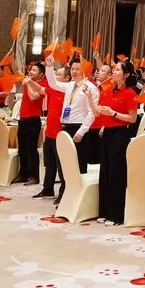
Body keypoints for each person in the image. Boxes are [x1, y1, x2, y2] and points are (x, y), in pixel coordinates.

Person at [44, 55, 99, 203]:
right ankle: (65, 194)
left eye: (77, 69)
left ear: (84, 70)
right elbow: (53, 83)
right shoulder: (70, 85)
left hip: (78, 128)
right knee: (64, 163)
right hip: (65, 127)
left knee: (78, 165)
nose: (74, 72)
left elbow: (92, 113)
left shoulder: (91, 88)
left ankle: (78, 198)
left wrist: (81, 131)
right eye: (73, 69)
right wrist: (49, 66)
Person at [95, 60, 140, 226]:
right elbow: (98, 111)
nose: (113, 72)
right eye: (113, 70)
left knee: (116, 174)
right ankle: (104, 211)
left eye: (117, 70)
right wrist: (89, 98)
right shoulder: (108, 90)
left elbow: (132, 118)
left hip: (120, 134)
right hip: (107, 132)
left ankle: (116, 215)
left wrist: (113, 113)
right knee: (105, 172)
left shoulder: (130, 93)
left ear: (126, 75)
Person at [29, 65, 68, 201]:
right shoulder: (53, 89)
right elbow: (40, 89)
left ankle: (63, 193)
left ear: (67, 78)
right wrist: (29, 81)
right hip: (50, 131)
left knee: (61, 165)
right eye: (55, 74)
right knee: (49, 163)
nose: (55, 77)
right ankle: (48, 189)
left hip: (61, 132)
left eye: (59, 75)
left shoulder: (68, 92)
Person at [16, 62, 46, 186]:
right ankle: (23, 174)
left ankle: (35, 176)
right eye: (31, 69)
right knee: (22, 149)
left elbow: (33, 97)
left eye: (34, 70)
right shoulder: (27, 82)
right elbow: (16, 70)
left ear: (41, 74)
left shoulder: (42, 86)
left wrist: (28, 83)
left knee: (31, 149)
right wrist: (12, 57)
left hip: (33, 120)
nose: (31, 71)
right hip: (22, 119)